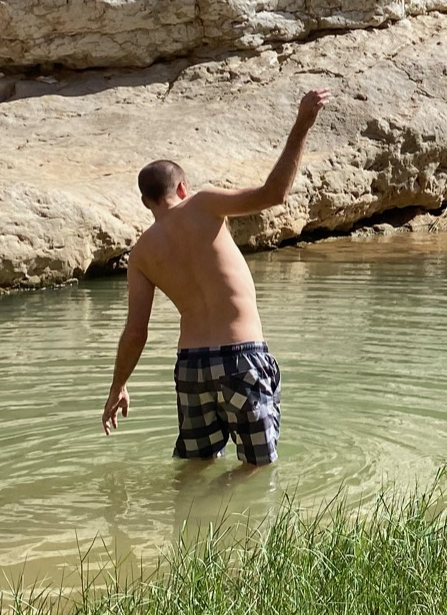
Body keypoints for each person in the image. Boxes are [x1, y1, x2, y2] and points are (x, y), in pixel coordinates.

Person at [101, 89, 330, 466]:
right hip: (241, 358)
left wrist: (118, 386)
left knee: (195, 466)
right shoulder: (204, 204)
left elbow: (135, 333)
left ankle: (188, 518)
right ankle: (218, 502)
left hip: (191, 367)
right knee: (257, 468)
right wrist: (302, 124)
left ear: (146, 202)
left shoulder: (141, 253)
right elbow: (275, 194)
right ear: (181, 188)